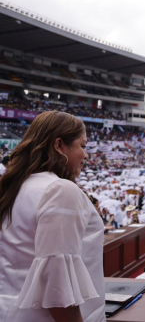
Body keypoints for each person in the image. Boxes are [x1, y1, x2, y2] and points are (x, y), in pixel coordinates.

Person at [0, 111, 104, 322]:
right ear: (59, 146)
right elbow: (57, 290)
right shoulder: (59, 189)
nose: (86, 155)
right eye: (82, 146)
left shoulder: (15, 187)